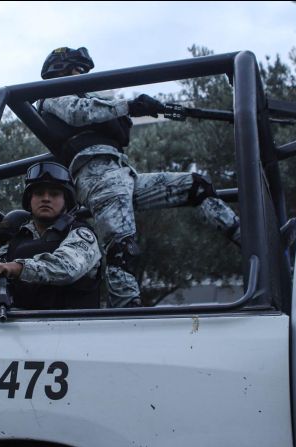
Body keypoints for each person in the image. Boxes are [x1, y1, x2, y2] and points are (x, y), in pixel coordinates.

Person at [37, 46, 242, 308]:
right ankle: (127, 315)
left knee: (196, 186)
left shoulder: (84, 96)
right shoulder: (51, 94)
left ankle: (252, 244)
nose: (81, 76)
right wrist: (130, 105)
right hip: (97, 175)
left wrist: (135, 110)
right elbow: (79, 112)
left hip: (122, 172)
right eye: (77, 70)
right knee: (122, 249)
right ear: (62, 69)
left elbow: (111, 123)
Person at [0, 162, 102, 310]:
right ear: (29, 201)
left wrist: (14, 267)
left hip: (72, 327)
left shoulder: (81, 234)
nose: (46, 199)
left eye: (54, 194)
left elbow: (66, 268)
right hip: (17, 328)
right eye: (39, 193)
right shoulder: (17, 239)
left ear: (66, 202)